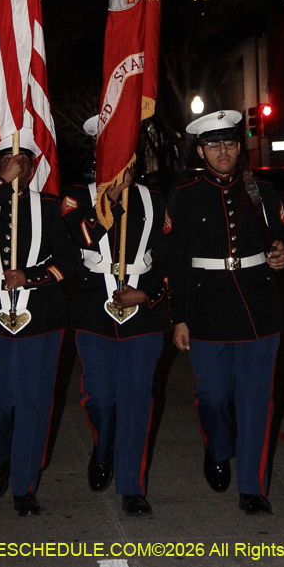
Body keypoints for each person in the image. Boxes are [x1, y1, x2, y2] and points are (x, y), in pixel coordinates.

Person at [166, 110, 284, 515]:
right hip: (207, 308)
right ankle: (218, 447)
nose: (224, 151)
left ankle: (253, 488)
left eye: (231, 143)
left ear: (240, 148)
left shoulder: (262, 191)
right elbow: (176, 261)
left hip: (259, 307)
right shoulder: (185, 196)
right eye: (215, 145)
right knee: (213, 395)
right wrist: (178, 316)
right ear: (202, 151)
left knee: (258, 400)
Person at [0, 130, 83, 516]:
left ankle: (24, 484)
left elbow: (71, 262)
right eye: (8, 162)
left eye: (24, 163)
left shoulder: (50, 207)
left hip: (41, 316)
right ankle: (1, 456)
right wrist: (0, 185)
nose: (17, 167)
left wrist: (31, 276)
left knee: (33, 401)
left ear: (33, 170)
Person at [61, 116, 170, 517]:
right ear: (98, 153)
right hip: (94, 308)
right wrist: (109, 198)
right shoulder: (76, 195)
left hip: (141, 312)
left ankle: (132, 485)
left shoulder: (155, 199)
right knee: (99, 398)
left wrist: (149, 292)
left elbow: (169, 258)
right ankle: (103, 442)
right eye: (111, 150)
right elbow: (80, 237)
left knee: (137, 399)